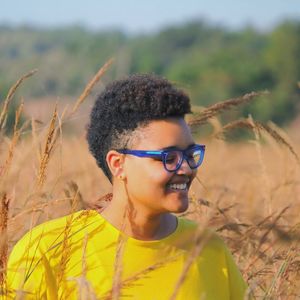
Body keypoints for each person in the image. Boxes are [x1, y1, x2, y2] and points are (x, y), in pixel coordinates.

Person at [6, 74, 247, 299]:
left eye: (189, 154)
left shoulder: (208, 248)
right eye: (168, 157)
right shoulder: (47, 250)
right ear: (118, 164)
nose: (185, 168)